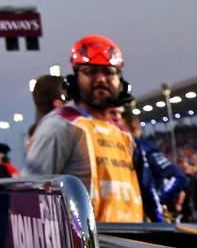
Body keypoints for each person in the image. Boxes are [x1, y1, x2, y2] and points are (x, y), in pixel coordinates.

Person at [25, 35, 143, 223]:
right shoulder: (60, 125)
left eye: (109, 72)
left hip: (126, 239)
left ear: (120, 81)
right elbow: (29, 195)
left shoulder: (123, 134)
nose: (101, 79)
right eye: (90, 72)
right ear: (74, 80)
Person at [112, 107, 187, 222]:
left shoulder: (144, 147)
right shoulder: (111, 146)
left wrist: (160, 200)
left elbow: (178, 177)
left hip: (143, 219)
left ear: (133, 127)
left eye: (116, 122)